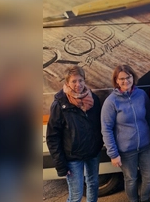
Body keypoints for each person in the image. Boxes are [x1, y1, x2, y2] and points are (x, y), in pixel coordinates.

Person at [101, 65, 150, 202]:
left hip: (146, 146)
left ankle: (145, 198)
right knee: (131, 179)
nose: (125, 81)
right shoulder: (111, 102)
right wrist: (113, 154)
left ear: (133, 77)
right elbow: (106, 129)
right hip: (126, 151)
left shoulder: (141, 95)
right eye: (121, 78)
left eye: (128, 77)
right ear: (116, 80)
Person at [46, 65, 103, 202]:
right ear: (67, 83)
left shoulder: (93, 99)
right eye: (74, 81)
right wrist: (60, 164)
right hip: (72, 157)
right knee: (76, 195)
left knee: (93, 184)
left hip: (92, 153)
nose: (78, 84)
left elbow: (98, 125)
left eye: (81, 80)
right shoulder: (60, 104)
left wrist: (98, 144)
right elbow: (52, 137)